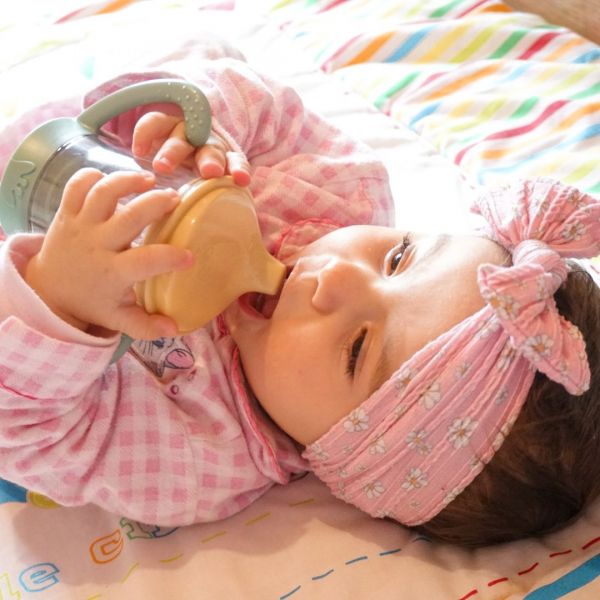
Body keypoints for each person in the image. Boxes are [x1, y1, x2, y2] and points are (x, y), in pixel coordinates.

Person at [0, 54, 599, 547]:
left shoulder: (196, 458)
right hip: (51, 143)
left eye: (357, 348)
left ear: (337, 454)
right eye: (399, 258)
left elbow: (29, 434)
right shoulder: (341, 192)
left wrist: (60, 300)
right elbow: (259, 99)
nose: (335, 276)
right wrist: (196, 129)